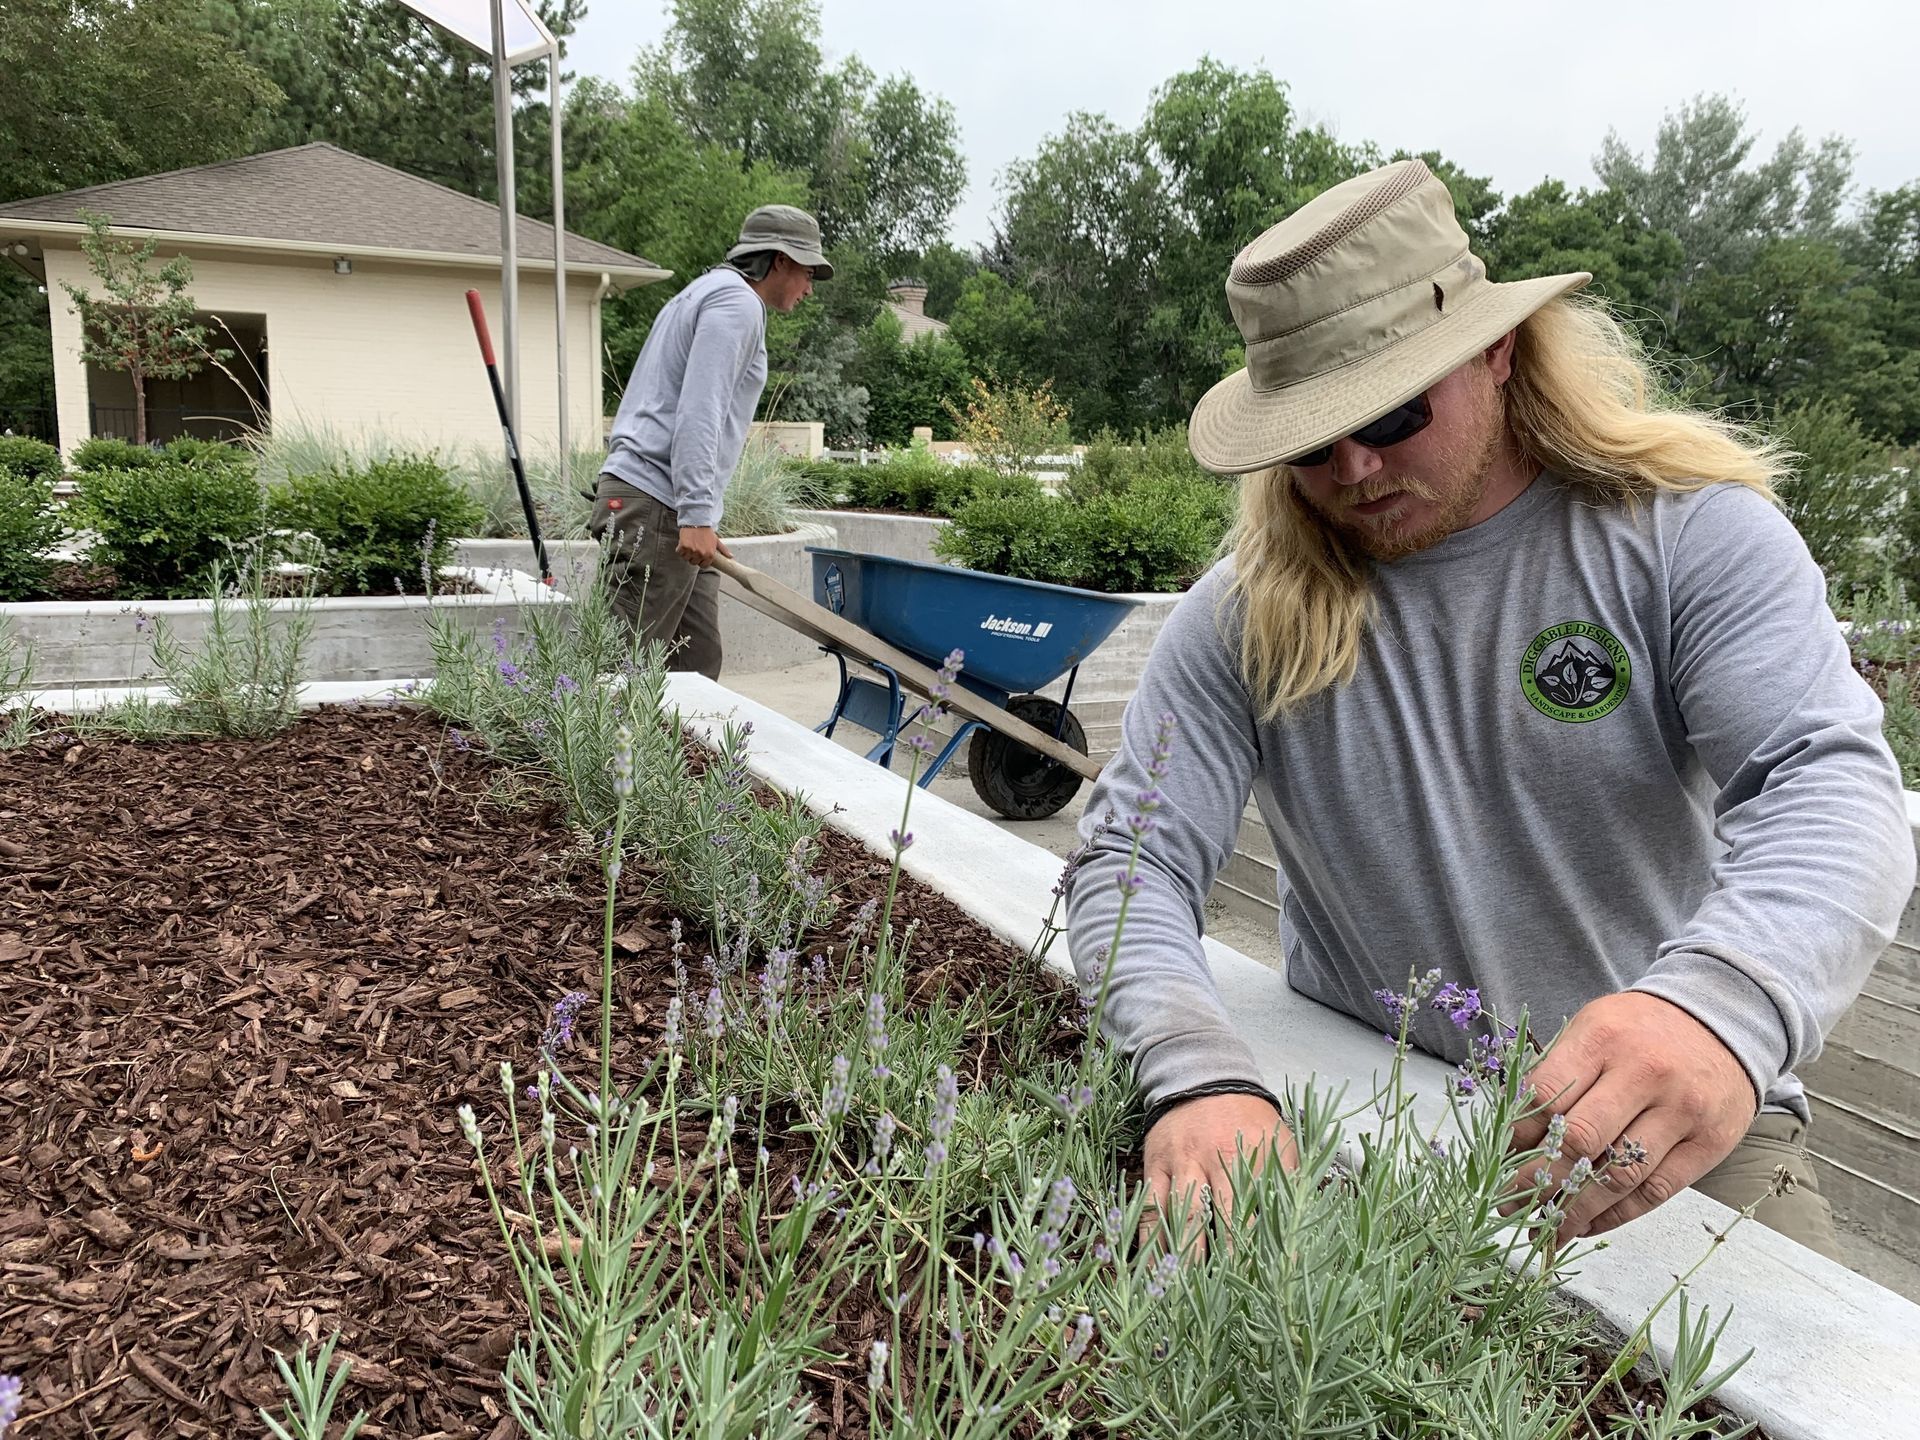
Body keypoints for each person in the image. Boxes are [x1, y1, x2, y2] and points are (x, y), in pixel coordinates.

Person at [1066, 158, 1914, 1261]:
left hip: (1655, 1125)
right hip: (1361, 1090)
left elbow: (1829, 784)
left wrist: (1721, 1005)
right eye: (1311, 444)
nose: (1356, 467)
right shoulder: (1241, 618)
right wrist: (1196, 1072)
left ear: (1498, 350)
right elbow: (1129, 863)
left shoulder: (1689, 540)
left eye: (1392, 413)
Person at [589, 204, 830, 678]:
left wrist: (696, 514)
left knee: (694, 665)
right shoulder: (736, 304)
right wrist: (696, 513)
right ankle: (596, 756)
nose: (809, 288)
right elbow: (701, 411)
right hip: (654, 502)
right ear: (778, 260)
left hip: (663, 502)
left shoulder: (706, 293)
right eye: (807, 272)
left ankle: (669, 754)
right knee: (620, 676)